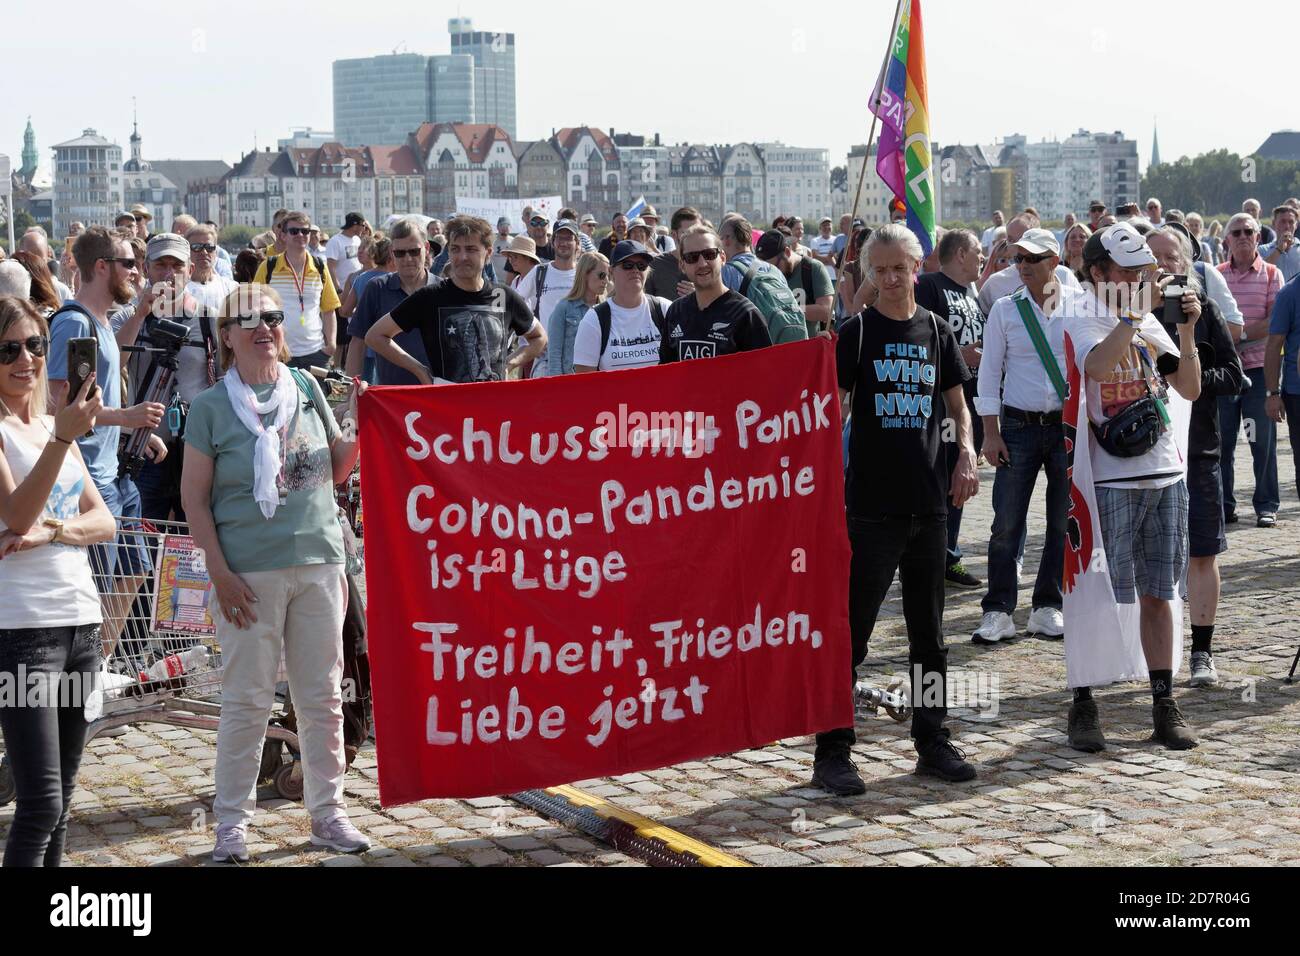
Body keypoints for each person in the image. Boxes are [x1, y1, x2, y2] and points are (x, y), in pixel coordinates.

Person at [181, 283, 370, 863]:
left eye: (273, 316)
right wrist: (220, 571)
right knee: (247, 701)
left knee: (322, 699)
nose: (265, 327)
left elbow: (336, 471)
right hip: (249, 573)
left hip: (318, 561)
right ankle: (232, 826)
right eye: (249, 320)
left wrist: (360, 426)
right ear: (227, 338)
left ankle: (328, 814)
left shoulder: (308, 387)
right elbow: (194, 499)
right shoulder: (212, 406)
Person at [815, 223, 980, 795]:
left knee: (929, 637)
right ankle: (833, 749)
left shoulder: (935, 331)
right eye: (878, 270)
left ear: (917, 268)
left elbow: (959, 405)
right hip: (870, 510)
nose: (889, 279)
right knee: (852, 634)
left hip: (930, 507)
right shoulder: (857, 335)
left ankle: (932, 741)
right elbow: (831, 412)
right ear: (867, 274)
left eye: (898, 268)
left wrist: (967, 454)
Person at [1062, 222, 1204, 752]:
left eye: (1144, 271)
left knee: (1159, 591)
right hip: (1107, 476)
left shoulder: (1145, 316)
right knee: (1094, 592)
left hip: (1163, 469)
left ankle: (1163, 702)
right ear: (1098, 272)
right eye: (1128, 271)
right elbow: (1095, 367)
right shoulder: (1079, 311)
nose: (1141, 279)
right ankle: (1083, 702)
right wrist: (1131, 317)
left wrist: (1186, 331)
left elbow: (1187, 386)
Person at [0, 296, 115, 867]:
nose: (26, 359)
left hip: (82, 625)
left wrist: (56, 533)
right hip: (24, 633)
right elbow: (16, 515)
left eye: (35, 345)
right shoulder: (26, 433)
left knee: (64, 801)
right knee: (40, 803)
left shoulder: (51, 423)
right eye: (8, 349)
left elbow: (105, 521)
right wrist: (63, 440)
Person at [47, 227, 168, 659]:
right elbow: (62, 402)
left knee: (135, 570)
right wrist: (127, 418)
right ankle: (86, 679)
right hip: (91, 478)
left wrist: (135, 430)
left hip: (115, 470)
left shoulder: (98, 321)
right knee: (99, 583)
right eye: (129, 263)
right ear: (101, 267)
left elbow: (113, 353)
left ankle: (99, 666)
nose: (137, 270)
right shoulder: (75, 321)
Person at [1149, 226, 1241, 689]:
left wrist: (1192, 378)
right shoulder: (1128, 312)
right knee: (1148, 559)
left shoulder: (1204, 311)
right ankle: (1148, 654)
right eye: (1154, 258)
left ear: (1186, 263)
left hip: (1198, 450)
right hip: (1142, 455)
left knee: (1202, 552)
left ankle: (1202, 650)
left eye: (1171, 257)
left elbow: (1235, 374)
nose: (1164, 266)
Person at [972, 229, 1072, 643]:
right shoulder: (1004, 310)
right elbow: (989, 373)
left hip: (1065, 426)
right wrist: (990, 435)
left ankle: (1048, 605)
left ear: (1055, 260)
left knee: (1061, 522)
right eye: (1018, 259)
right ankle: (997, 609)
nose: (1024, 266)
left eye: (1033, 258)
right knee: (1006, 522)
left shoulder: (1080, 306)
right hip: (1018, 426)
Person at [366, 215, 545, 384]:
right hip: (446, 406)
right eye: (455, 249)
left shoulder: (504, 296)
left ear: (488, 252)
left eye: (471, 249)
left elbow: (539, 337)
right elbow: (375, 336)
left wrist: (509, 364)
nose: (462, 257)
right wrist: (419, 370)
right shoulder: (430, 297)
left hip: (493, 404)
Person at [915, 229, 988, 590]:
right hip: (936, 405)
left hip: (967, 403)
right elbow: (919, 341)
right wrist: (962, 355)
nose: (982, 258)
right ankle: (934, 557)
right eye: (978, 251)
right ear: (960, 253)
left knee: (961, 480)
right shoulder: (929, 286)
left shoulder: (970, 294)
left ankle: (948, 553)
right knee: (939, 481)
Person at [1217, 212, 1284, 528]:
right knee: (1222, 443)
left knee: (1262, 442)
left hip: (1258, 372)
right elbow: (1211, 323)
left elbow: (1275, 324)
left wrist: (1237, 335)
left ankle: (1267, 504)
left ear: (1259, 237)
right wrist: (1232, 337)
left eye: (1249, 231)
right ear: (1227, 239)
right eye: (1236, 232)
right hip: (1224, 373)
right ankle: (1223, 505)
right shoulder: (1216, 275)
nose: (1243, 236)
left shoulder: (1272, 274)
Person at [658, 225, 772, 363]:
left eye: (709, 254)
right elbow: (665, 371)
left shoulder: (745, 314)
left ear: (722, 258)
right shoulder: (676, 312)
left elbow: (765, 375)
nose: (702, 263)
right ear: (682, 265)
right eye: (692, 257)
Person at [346, 218, 437, 385]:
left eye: (414, 251)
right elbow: (357, 343)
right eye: (400, 253)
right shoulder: (377, 288)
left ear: (426, 248)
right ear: (391, 252)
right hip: (392, 395)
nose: (408, 258)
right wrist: (351, 394)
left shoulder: (441, 289)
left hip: (435, 390)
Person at [251, 211, 341, 369]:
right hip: (279, 351)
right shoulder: (268, 266)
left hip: (316, 352)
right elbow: (253, 307)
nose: (301, 234)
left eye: (305, 231)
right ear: (283, 236)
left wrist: (331, 344)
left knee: (316, 395)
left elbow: (329, 310)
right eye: (294, 231)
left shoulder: (320, 266)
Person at [573, 241, 668, 373]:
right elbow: (585, 383)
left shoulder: (664, 309)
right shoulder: (594, 320)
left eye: (642, 266)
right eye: (628, 265)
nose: (635, 270)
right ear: (611, 272)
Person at [717, 216, 807, 345]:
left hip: (751, 352)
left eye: (719, 239)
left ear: (726, 240)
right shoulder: (774, 270)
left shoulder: (726, 272)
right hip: (781, 346)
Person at [515, 219, 580, 377]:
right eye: (559, 238)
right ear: (553, 241)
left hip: (579, 356)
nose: (563, 243)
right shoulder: (539, 272)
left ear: (577, 243)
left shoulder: (584, 273)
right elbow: (515, 303)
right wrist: (531, 335)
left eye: (568, 238)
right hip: (546, 357)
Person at [977, 215, 1081, 315]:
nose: (1015, 245)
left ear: (1053, 262)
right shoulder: (995, 285)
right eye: (1010, 239)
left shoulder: (1065, 275)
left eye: (1032, 258)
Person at [756, 229, 834, 337]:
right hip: (778, 347)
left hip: (808, 345)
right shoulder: (766, 275)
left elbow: (826, 311)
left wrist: (788, 310)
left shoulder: (813, 268)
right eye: (767, 268)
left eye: (776, 267)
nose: (772, 273)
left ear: (787, 252)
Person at [547, 252, 610, 375]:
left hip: (602, 382)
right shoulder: (564, 308)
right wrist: (557, 386)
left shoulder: (607, 309)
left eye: (608, 276)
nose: (606, 281)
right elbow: (554, 353)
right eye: (602, 275)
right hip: (571, 381)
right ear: (585, 274)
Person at [645, 206, 701, 301]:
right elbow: (646, 305)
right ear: (674, 235)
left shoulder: (708, 263)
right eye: (688, 233)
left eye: (699, 232)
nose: (695, 238)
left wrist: (700, 295)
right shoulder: (655, 265)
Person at [325, 212, 367, 295]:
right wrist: (338, 289)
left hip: (357, 289)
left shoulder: (357, 240)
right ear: (355, 225)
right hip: (342, 291)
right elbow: (330, 268)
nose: (364, 229)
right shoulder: (335, 241)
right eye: (363, 225)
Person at [1260, 204, 1300, 283]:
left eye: (1291, 222)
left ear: (1296, 225)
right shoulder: (1263, 250)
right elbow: (1259, 273)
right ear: (1274, 223)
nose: (1287, 226)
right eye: (1283, 221)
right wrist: (1279, 249)